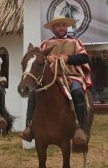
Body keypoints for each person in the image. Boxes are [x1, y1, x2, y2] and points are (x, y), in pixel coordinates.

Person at [20, 15, 92, 146]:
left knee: (77, 91)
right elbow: (38, 59)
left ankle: (81, 128)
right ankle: (29, 127)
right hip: (52, 78)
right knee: (33, 93)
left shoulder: (75, 42)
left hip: (72, 76)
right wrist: (48, 58)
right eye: (58, 26)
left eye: (63, 25)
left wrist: (67, 58)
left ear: (67, 27)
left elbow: (84, 58)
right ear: (53, 28)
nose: (61, 28)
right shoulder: (46, 44)